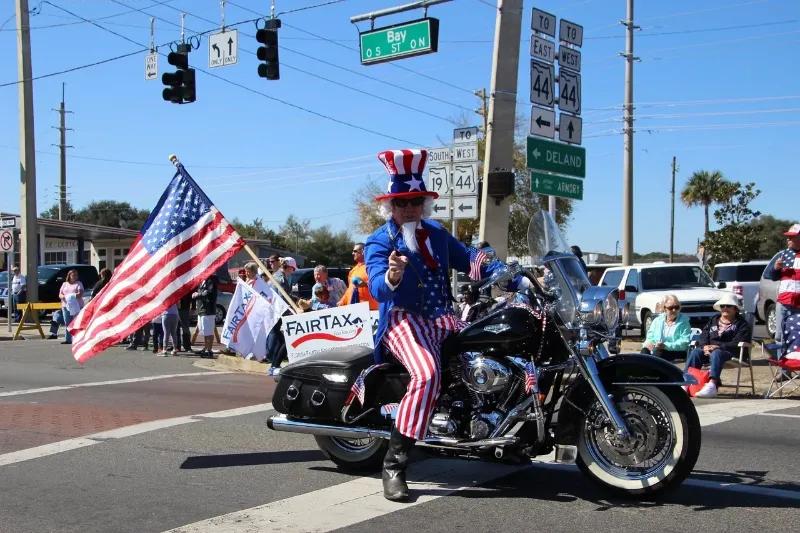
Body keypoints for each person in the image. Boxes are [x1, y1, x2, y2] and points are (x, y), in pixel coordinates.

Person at [364, 148, 513, 502]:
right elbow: (376, 287)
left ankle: (501, 433)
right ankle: (395, 464)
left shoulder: (437, 233)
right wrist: (393, 274)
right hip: (403, 321)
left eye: (416, 200)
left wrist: (505, 274)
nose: (410, 207)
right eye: (402, 202)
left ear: (425, 203)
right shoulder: (381, 240)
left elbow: (471, 259)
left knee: (496, 351)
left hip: (444, 319)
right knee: (427, 374)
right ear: (391, 206)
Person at [685, 293, 750, 398]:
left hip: (730, 352)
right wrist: (704, 346)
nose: (725, 308)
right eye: (722, 306)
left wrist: (718, 346)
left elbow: (737, 342)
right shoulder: (713, 320)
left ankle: (712, 385)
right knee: (696, 352)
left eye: (728, 306)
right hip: (710, 350)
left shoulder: (742, 324)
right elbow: (704, 335)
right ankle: (687, 382)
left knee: (717, 353)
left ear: (735, 309)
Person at [769, 223, 800, 354]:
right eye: (787, 237)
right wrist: (775, 268)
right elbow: (771, 276)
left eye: (791, 237)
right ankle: (783, 372)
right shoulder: (783, 255)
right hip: (783, 302)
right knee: (780, 336)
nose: (788, 240)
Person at [641, 294, 691, 361]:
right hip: (657, 349)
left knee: (658, 354)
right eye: (670, 308)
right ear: (664, 308)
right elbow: (650, 337)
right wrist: (649, 344)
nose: (674, 310)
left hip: (676, 351)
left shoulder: (684, 322)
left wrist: (666, 346)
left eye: (676, 307)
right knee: (644, 352)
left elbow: (684, 343)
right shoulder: (657, 320)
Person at [338, 243, 379, 310]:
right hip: (354, 310)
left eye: (355, 251)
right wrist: (342, 301)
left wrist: (365, 284)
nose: (352, 253)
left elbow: (379, 285)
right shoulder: (353, 270)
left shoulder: (372, 267)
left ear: (363, 251)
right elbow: (350, 289)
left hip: (370, 309)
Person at [192, 275, 218, 358]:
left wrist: (198, 294)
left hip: (208, 310)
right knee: (203, 330)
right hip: (201, 309)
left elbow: (209, 292)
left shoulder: (211, 280)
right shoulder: (202, 281)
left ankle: (209, 349)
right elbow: (202, 292)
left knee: (208, 331)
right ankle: (205, 347)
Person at [58, 269, 84, 345]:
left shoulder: (79, 284)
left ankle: (78, 338)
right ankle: (68, 339)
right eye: (73, 275)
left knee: (77, 322)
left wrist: (71, 296)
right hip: (66, 305)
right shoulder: (64, 284)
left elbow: (80, 294)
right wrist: (63, 297)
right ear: (69, 276)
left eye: (76, 275)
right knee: (67, 322)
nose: (75, 277)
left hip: (77, 306)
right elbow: (60, 294)